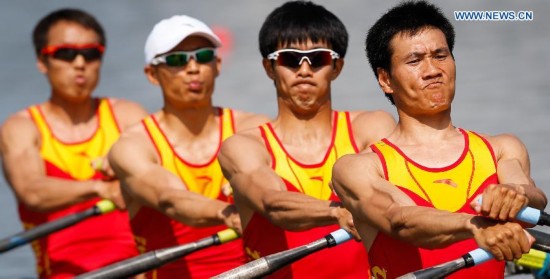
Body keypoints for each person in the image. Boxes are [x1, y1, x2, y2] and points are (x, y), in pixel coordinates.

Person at [330, 1, 548, 278]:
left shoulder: (502, 149)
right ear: (385, 79)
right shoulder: (358, 168)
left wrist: (516, 195)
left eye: (440, 55)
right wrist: (473, 225)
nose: (432, 70)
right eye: (414, 60)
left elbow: (532, 194)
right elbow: (400, 220)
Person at [217, 1, 396, 278]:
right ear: (269, 67)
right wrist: (337, 212)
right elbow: (272, 203)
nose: (304, 70)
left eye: (318, 58)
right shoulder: (244, 147)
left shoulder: (371, 128)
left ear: (336, 66)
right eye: (290, 59)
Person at [107, 15, 269, 279]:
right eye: (177, 60)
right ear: (151, 74)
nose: (193, 68)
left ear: (217, 65)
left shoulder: (253, 130)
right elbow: (169, 199)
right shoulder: (134, 146)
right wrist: (225, 212)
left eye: (203, 56)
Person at [0, 8, 147, 278]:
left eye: (91, 53)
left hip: (143, 269)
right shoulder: (21, 128)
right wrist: (99, 188)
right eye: (66, 54)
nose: (80, 63)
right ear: (42, 61)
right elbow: (32, 191)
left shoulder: (128, 116)